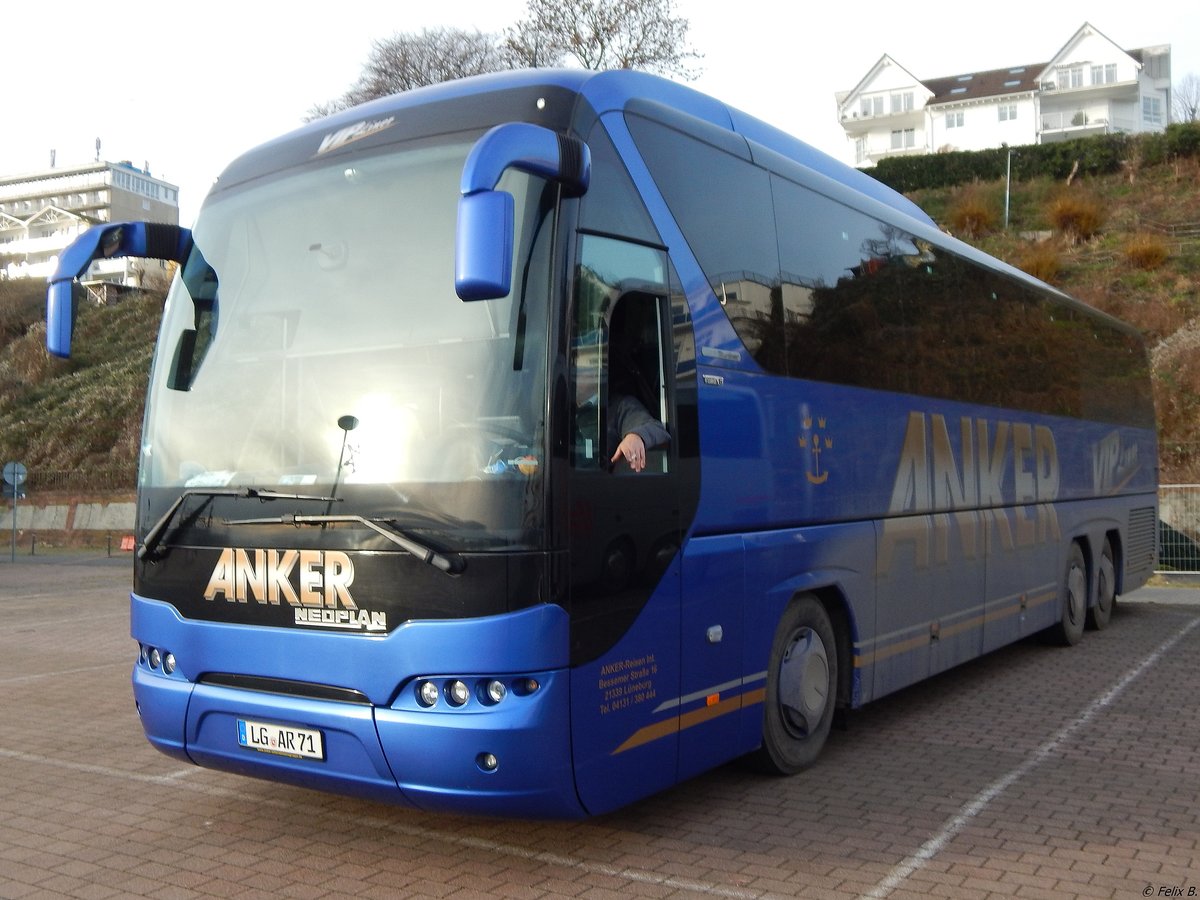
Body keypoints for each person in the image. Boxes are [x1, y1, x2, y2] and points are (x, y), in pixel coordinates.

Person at [574, 345, 669, 473]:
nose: (572, 377)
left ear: (595, 374)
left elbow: (655, 428)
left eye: (578, 372)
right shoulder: (561, 409)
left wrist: (636, 436)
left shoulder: (619, 406)